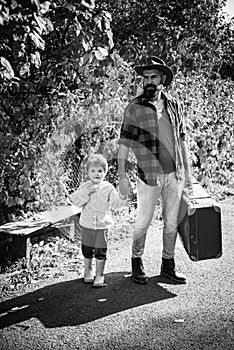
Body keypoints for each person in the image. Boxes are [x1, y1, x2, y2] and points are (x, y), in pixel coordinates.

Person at [117, 56, 193, 285]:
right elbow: (124, 144)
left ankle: (167, 265)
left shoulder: (174, 106)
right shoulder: (134, 107)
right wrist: (121, 176)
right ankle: (136, 262)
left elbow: (182, 141)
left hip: (175, 174)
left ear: (163, 80)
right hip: (149, 175)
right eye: (145, 78)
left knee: (171, 222)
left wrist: (188, 177)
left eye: (153, 77)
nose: (148, 81)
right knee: (144, 220)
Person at [70, 153, 127, 288]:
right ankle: (88, 270)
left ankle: (100, 274)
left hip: (102, 225)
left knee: (101, 250)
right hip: (87, 224)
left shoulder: (108, 187)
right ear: (88, 172)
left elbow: (115, 204)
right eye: (93, 171)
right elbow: (76, 202)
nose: (96, 174)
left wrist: (122, 197)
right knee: (87, 249)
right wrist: (87, 192)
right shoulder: (84, 186)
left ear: (104, 172)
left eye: (100, 171)